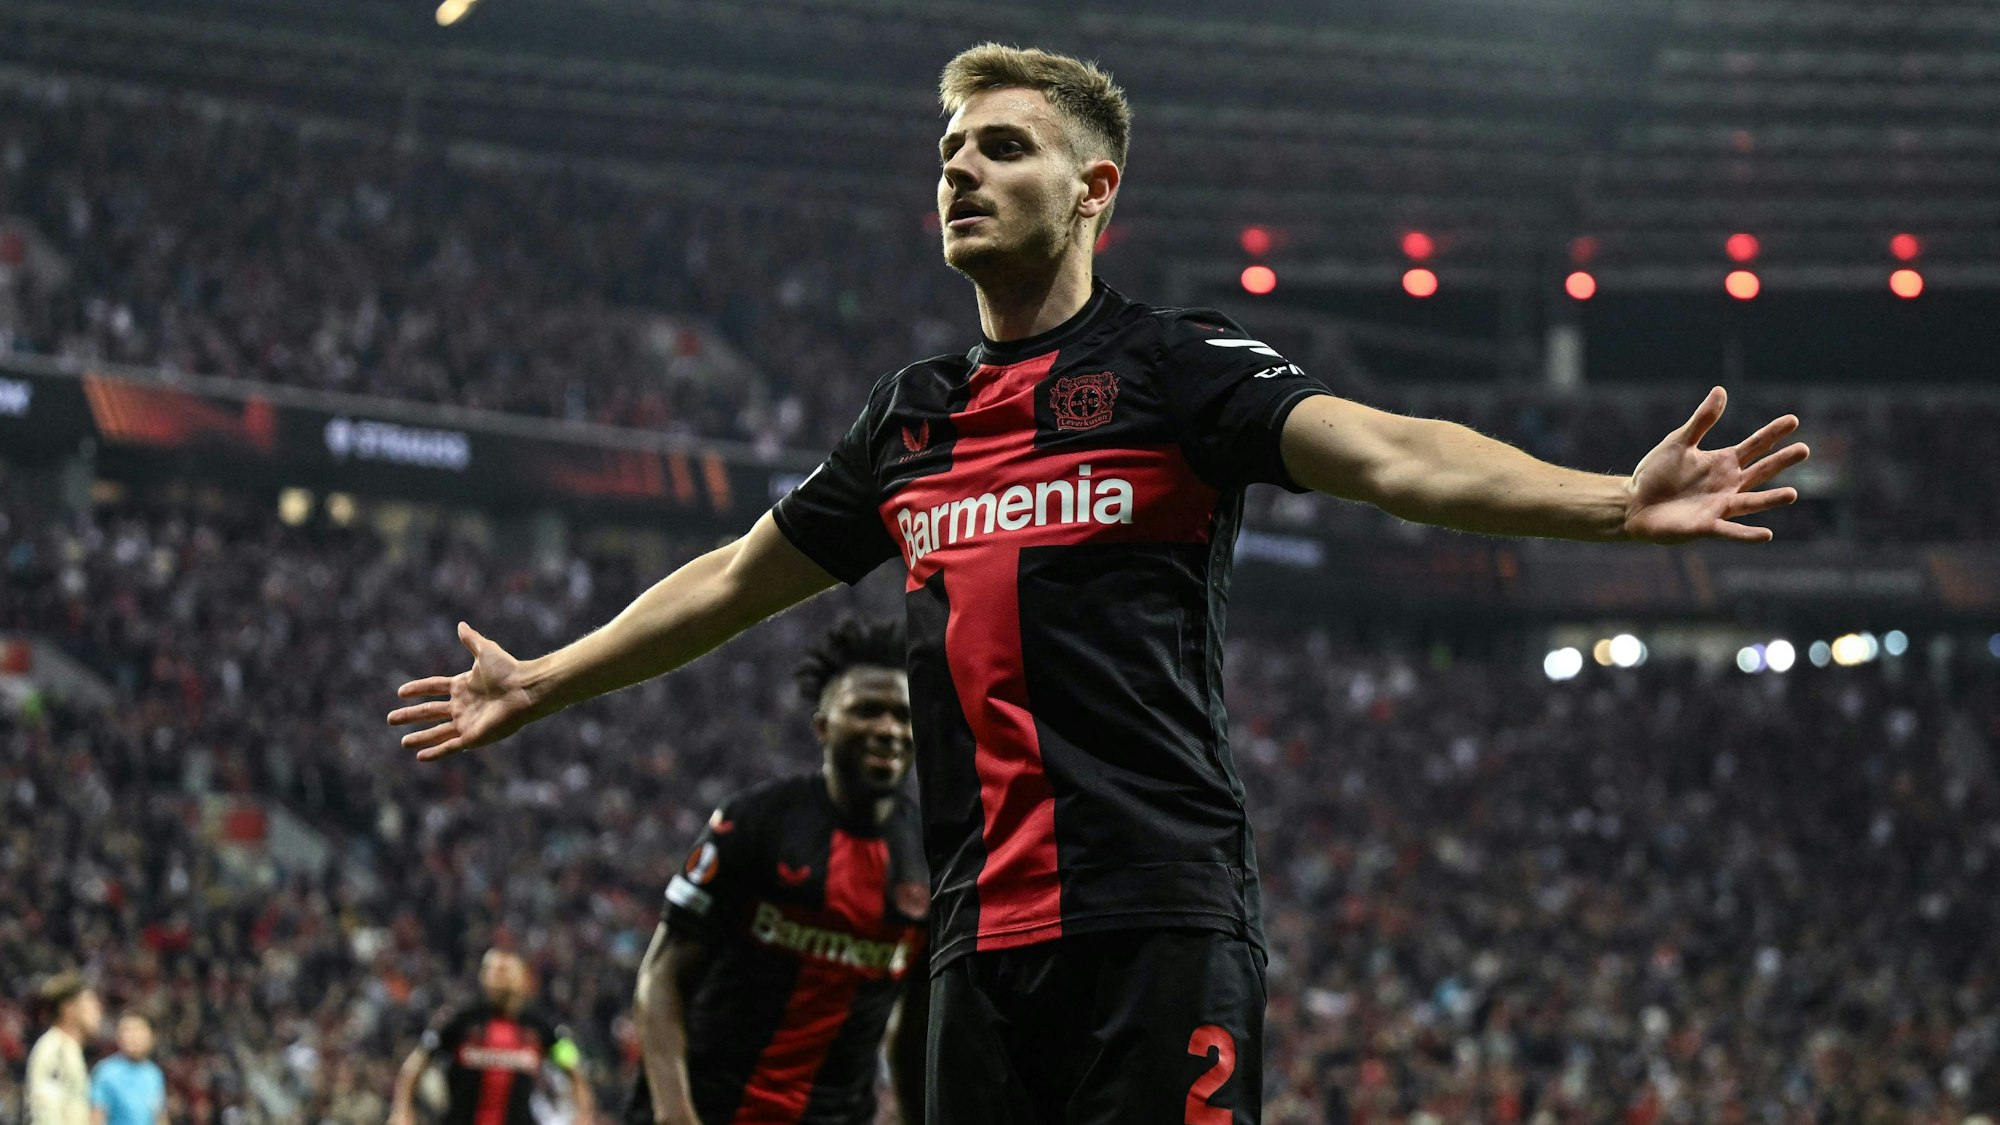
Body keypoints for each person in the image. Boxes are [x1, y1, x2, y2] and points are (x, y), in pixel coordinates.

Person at [388, 44, 1810, 1125]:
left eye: (1004, 148)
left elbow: (1386, 450)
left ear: (1093, 191)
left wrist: (1612, 501)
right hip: (973, 942)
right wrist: (548, 677)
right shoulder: (911, 419)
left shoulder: (1175, 369)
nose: (960, 169)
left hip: (1157, 916)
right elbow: (735, 578)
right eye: (949, 149)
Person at [626, 617, 928, 1125]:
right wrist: (675, 1113)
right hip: (710, 1107)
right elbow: (661, 976)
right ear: (823, 728)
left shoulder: (933, 855)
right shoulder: (756, 823)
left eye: (902, 715)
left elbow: (915, 1027)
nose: (888, 730)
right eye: (866, 711)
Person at [389, 949, 598, 1125]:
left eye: (506, 970)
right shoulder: (460, 1019)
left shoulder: (540, 1026)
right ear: (483, 976)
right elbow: (417, 1062)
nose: (499, 975)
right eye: (493, 970)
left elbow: (573, 1067)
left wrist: (584, 1115)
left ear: (523, 977)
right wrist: (401, 1111)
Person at [26, 973, 101, 1125]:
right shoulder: (54, 1050)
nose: (98, 1010)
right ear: (69, 1009)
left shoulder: (69, 1050)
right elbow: (46, 1114)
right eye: (90, 1003)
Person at [88, 1015, 167, 1125]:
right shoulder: (106, 1072)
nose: (133, 1037)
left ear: (151, 1036)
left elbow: (160, 1117)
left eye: (138, 1030)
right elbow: (96, 1117)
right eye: (127, 1031)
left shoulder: (154, 1074)